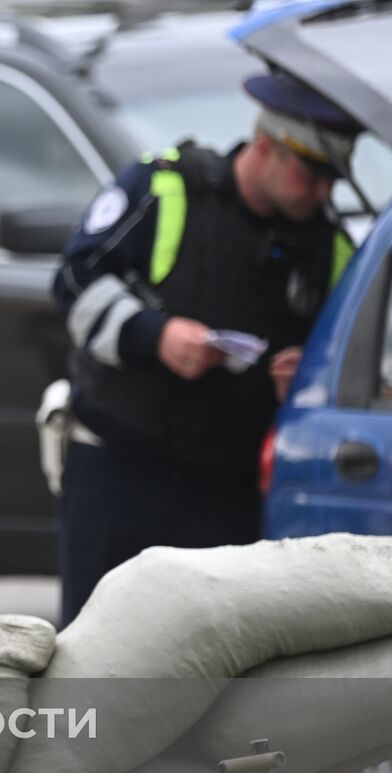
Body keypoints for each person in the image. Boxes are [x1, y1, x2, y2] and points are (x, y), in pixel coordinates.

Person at [54, 72, 362, 625]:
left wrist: (308, 382)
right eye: (310, 172)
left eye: (332, 179)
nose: (322, 192)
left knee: (208, 687)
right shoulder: (167, 187)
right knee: (91, 665)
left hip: (227, 493)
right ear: (265, 145)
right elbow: (74, 283)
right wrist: (156, 335)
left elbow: (349, 366)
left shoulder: (330, 248)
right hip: (120, 472)